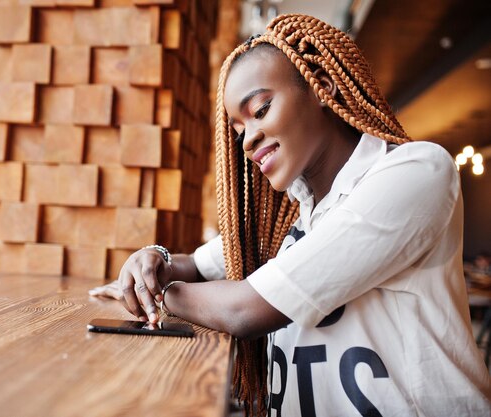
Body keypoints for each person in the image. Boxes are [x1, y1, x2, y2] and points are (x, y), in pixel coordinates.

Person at [89, 14, 491, 416]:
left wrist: (158, 296)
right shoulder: (289, 213)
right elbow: (195, 264)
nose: (248, 139)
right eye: (238, 128)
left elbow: (244, 310)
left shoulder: (416, 170)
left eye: (261, 109)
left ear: (322, 85)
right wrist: (152, 260)